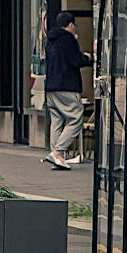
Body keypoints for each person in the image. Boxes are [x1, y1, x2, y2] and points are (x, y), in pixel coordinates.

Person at [43, 11, 87, 170]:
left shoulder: (50, 40)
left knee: (57, 121)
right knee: (76, 118)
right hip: (67, 86)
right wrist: (88, 58)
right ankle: (58, 152)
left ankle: (56, 158)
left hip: (51, 87)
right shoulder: (68, 40)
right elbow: (75, 61)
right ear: (70, 25)